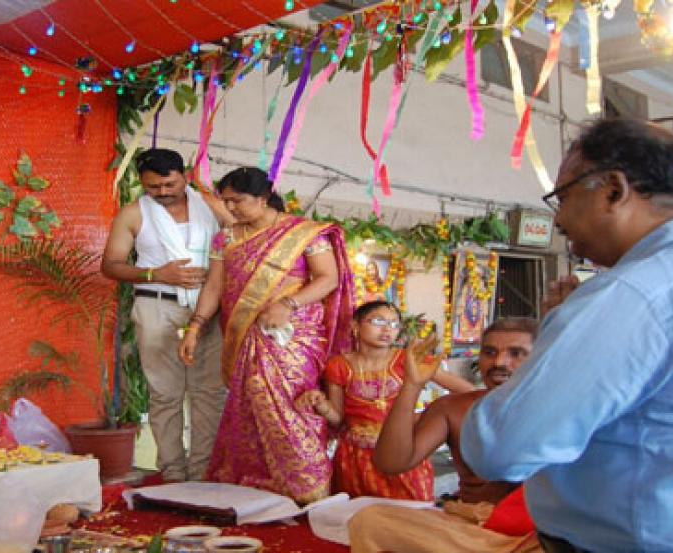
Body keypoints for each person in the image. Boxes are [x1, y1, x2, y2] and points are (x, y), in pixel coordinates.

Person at [462, 118, 673, 551]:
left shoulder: (639, 292)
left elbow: (500, 447)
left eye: (563, 198)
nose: (560, 221)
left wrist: (554, 340)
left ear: (613, 189)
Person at [178, 166, 354, 504]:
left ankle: (308, 487)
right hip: (244, 335)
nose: (230, 209)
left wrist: (288, 304)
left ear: (263, 198)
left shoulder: (304, 233)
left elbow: (327, 278)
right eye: (225, 201)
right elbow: (215, 285)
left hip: (292, 338)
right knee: (251, 406)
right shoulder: (226, 238)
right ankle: (258, 487)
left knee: (292, 405)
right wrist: (195, 327)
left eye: (237, 201)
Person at [346, 317, 540, 553]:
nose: (499, 362)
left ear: (541, 358)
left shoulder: (563, 411)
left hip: (531, 534)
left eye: (516, 353)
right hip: (466, 529)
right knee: (370, 520)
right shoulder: (453, 408)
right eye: (489, 352)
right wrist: (412, 384)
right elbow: (391, 463)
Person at [100, 148, 230, 482]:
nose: (162, 193)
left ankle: (202, 472)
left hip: (208, 307)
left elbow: (244, 241)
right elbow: (110, 265)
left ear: (184, 176)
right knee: (165, 393)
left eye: (169, 184)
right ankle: (173, 472)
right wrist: (156, 274)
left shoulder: (211, 207)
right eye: (153, 187)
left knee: (208, 393)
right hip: (156, 303)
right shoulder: (133, 214)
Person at [297, 300, 474, 501]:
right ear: (355, 326)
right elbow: (338, 419)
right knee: (358, 520)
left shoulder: (408, 360)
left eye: (394, 324)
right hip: (356, 457)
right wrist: (321, 404)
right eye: (378, 321)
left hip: (401, 453)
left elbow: (467, 392)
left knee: (409, 517)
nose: (387, 330)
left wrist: (427, 418)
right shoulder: (339, 366)